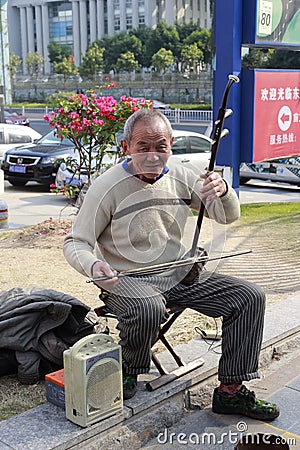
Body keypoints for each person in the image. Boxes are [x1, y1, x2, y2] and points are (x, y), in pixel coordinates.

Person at [63, 109, 279, 421]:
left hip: (181, 273)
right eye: (143, 147)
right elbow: (76, 241)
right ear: (126, 147)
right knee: (148, 305)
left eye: (160, 147)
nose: (153, 156)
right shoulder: (105, 187)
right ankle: (129, 369)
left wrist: (224, 192)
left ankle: (231, 390)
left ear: (171, 144)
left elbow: (225, 215)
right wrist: (93, 265)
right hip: (126, 279)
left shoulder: (182, 175)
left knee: (249, 297)